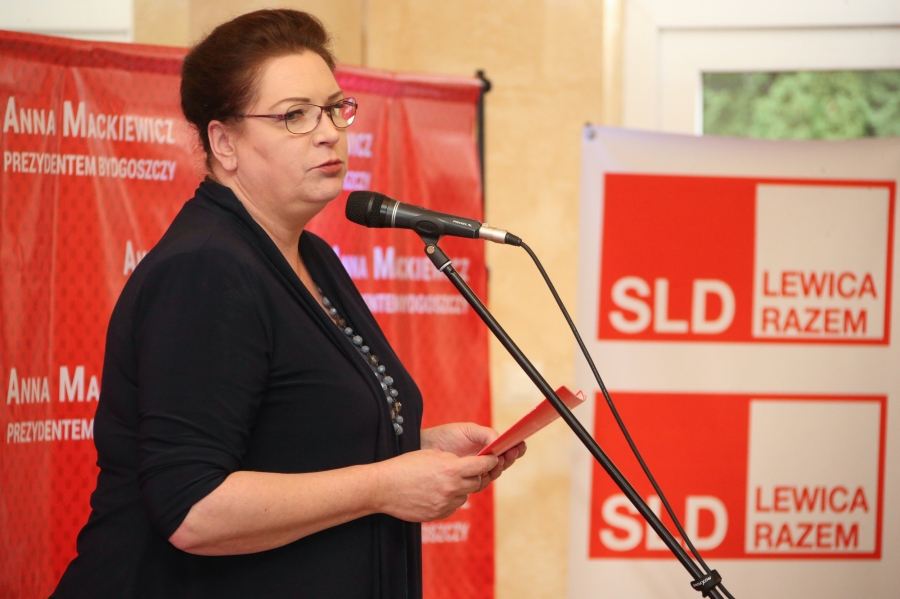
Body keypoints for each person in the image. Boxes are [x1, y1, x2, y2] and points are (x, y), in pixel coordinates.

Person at [51, 9, 523, 599]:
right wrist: (384, 484)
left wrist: (413, 449)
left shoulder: (311, 255)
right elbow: (192, 508)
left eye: (334, 108)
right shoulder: (207, 269)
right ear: (224, 143)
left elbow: (295, 442)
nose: (328, 132)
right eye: (294, 115)